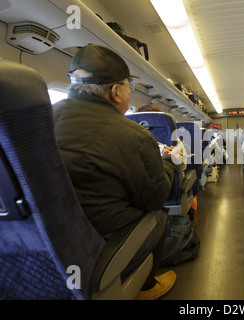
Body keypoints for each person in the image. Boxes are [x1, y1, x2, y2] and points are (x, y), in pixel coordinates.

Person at [53, 44, 178, 300]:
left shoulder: (39, 118)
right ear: (115, 92)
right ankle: (147, 286)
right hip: (98, 242)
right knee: (159, 215)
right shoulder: (133, 135)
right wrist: (168, 164)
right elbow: (154, 197)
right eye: (128, 88)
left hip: (44, 242)